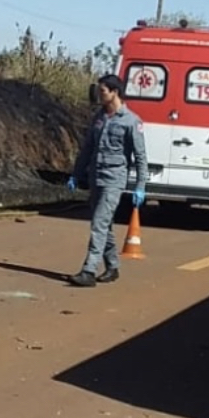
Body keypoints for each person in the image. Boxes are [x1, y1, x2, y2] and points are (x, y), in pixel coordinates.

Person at [66, 74, 148, 287]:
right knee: (104, 225)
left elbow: (140, 157)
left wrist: (140, 186)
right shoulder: (99, 117)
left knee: (99, 224)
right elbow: (87, 148)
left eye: (103, 91)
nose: (99, 95)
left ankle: (89, 270)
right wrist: (76, 173)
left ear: (114, 92)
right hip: (96, 176)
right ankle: (112, 266)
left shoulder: (131, 121)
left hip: (114, 179)